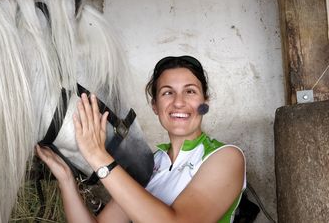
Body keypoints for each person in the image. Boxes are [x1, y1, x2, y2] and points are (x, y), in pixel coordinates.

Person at [36, 55, 246, 223]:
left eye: (190, 91)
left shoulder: (225, 157)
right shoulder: (149, 164)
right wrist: (66, 180)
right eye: (167, 93)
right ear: (155, 105)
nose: (179, 102)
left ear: (204, 102)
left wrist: (98, 156)